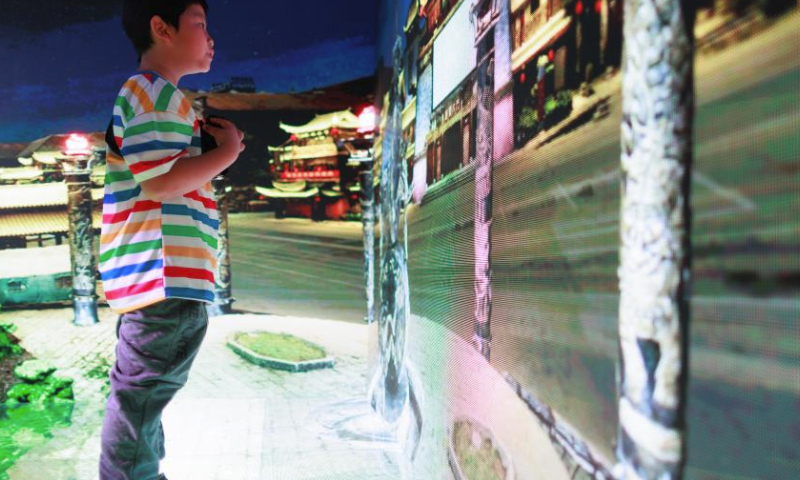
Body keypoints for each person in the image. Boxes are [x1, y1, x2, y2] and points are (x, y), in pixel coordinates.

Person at [98, 1, 244, 479]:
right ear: (161, 28)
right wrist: (227, 152)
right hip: (165, 280)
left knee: (142, 400)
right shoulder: (150, 91)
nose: (211, 38)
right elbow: (160, 182)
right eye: (200, 25)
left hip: (160, 279)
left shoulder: (163, 98)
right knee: (140, 401)